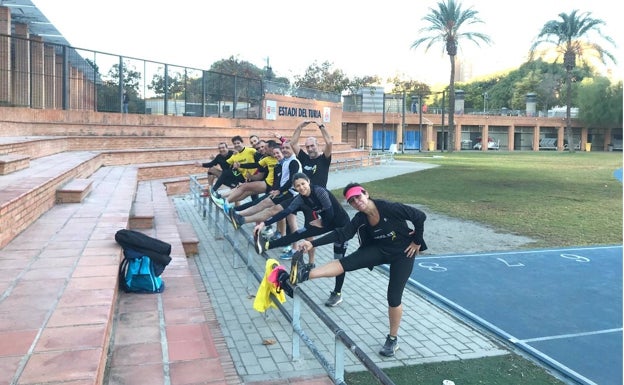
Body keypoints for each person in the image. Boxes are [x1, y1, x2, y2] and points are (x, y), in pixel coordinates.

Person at [289, 182, 428, 357]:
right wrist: (312, 243)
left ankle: (392, 339)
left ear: (366, 194)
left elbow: (420, 216)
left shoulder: (389, 208)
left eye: (358, 197)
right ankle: (304, 274)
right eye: (352, 201)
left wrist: (417, 240)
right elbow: (342, 234)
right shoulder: (360, 218)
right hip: (379, 249)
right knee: (345, 262)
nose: (356, 202)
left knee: (393, 297)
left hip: (403, 253)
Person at [252, 173, 349, 307]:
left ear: (308, 182)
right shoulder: (300, 198)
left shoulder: (320, 192)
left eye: (303, 184)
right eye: (298, 186)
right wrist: (264, 223)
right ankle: (267, 245)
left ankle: (337, 293)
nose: (301, 187)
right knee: (299, 233)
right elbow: (285, 212)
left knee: (339, 259)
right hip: (325, 222)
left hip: (342, 226)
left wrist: (322, 222)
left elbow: (331, 213)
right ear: (295, 188)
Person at [229, 141, 301, 231]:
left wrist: (279, 190)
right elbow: (279, 180)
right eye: (283, 148)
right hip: (285, 192)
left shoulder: (293, 162)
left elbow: (291, 180)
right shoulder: (283, 163)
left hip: (291, 193)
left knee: (271, 210)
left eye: (287, 148)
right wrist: (276, 189)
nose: (284, 150)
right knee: (267, 207)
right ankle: (239, 216)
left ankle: (239, 215)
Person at [210, 135, 256, 201]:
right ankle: (214, 190)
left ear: (242, 142)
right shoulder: (235, 155)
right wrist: (215, 159)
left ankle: (225, 195)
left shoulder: (251, 150)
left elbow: (260, 159)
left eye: (238, 143)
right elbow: (225, 163)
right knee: (226, 172)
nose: (236, 145)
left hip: (253, 176)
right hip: (243, 177)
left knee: (253, 194)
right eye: (235, 144)